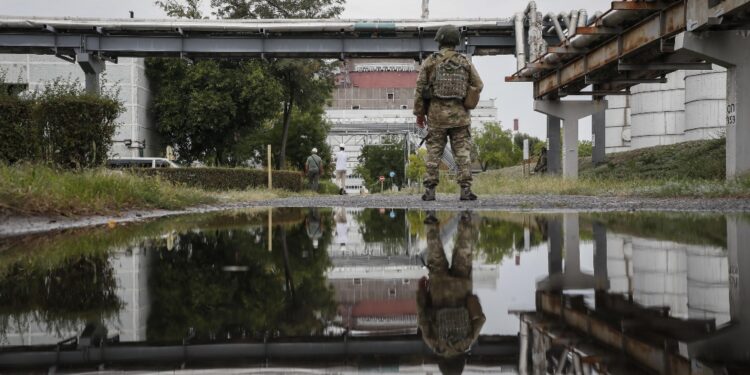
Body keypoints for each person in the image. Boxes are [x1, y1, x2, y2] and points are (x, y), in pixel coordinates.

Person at [414, 24, 484, 202]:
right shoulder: (465, 61)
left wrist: (419, 114)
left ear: (440, 41)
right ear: (456, 42)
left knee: (434, 153)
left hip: (436, 116)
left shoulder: (431, 61)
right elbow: (479, 85)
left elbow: (420, 89)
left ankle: (430, 191)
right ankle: (465, 190)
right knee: (462, 153)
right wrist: (467, 100)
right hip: (460, 116)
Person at [417, 211, 485, 372]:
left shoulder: (467, 343)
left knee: (463, 253)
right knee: (435, 256)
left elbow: (480, 319)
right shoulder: (435, 345)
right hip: (439, 289)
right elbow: (422, 317)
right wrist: (421, 292)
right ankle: (431, 219)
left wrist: (472, 301)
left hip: (462, 288)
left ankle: (465, 219)